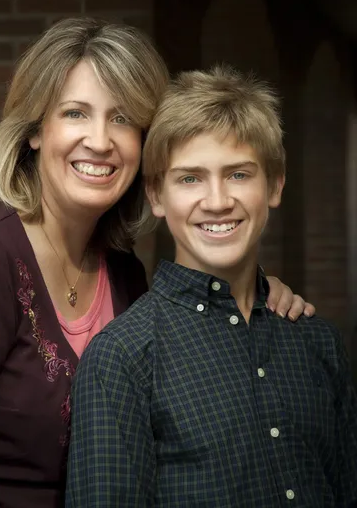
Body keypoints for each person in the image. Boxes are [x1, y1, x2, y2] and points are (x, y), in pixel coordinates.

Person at [0, 17, 312, 508]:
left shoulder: (124, 275)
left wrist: (253, 290)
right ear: (35, 130)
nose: (100, 141)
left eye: (122, 118)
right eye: (76, 113)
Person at [66, 65, 357, 508]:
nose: (218, 201)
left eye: (239, 174)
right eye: (190, 178)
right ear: (157, 196)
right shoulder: (122, 359)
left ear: (275, 184)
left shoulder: (319, 344)